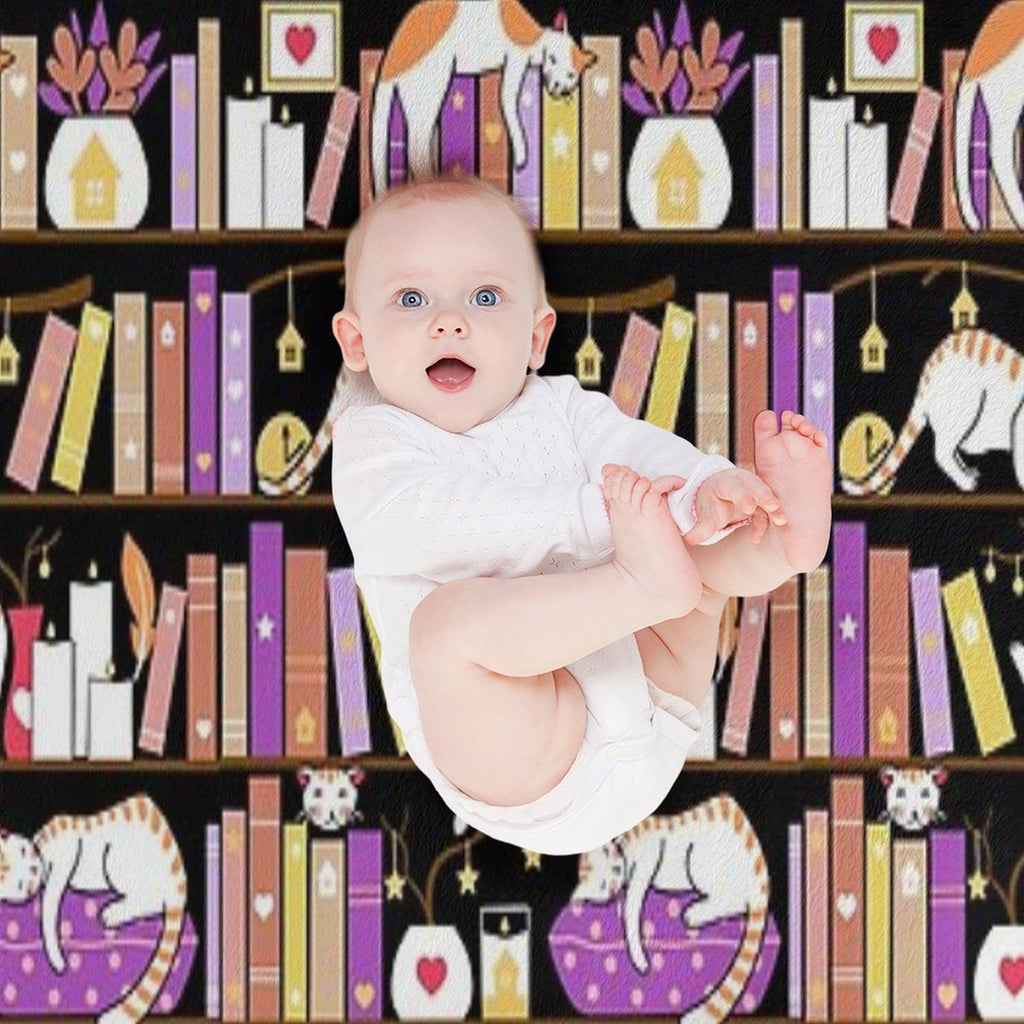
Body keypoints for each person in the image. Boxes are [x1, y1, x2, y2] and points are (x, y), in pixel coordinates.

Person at [330, 173, 832, 855]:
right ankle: (647, 582)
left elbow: (636, 451)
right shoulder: (374, 442)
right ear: (356, 343)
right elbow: (433, 525)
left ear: (536, 339)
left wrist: (703, 487)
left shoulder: (562, 406)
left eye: (484, 296)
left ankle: (777, 542)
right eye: (412, 298)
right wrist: (597, 516)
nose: (450, 321)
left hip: (655, 691)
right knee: (443, 629)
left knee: (696, 551)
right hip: (531, 754)